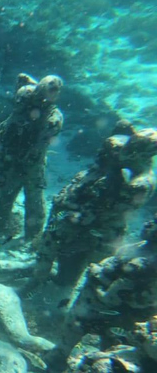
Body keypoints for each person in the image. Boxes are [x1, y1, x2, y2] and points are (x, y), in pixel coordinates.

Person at [33, 123, 157, 287]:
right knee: (48, 246)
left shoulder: (140, 183)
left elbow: (110, 209)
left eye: (136, 147)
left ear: (146, 153)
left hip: (95, 228)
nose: (127, 149)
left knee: (78, 269)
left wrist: (78, 216)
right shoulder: (117, 149)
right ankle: (36, 280)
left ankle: (67, 290)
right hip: (71, 213)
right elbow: (95, 170)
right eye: (131, 143)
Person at [0, 74, 64, 240]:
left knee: (34, 200)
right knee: (7, 194)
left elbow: (40, 141)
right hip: (13, 158)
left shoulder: (54, 118)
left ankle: (32, 237)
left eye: (55, 91)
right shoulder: (25, 97)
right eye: (50, 90)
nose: (52, 94)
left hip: (33, 163)